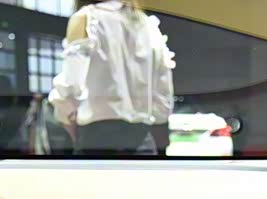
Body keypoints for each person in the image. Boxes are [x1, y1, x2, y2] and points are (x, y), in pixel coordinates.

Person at [49, 0, 175, 155]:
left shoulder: (86, 18)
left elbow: (71, 85)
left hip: (95, 141)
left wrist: (66, 117)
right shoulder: (149, 26)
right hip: (142, 140)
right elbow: (163, 96)